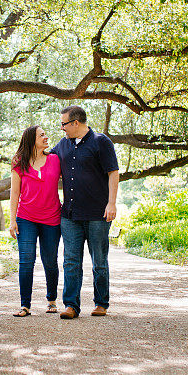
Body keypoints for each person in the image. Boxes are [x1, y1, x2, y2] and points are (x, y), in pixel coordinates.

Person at [52, 105, 119, 319]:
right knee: (71, 260)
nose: (61, 128)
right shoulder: (62, 145)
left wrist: (112, 203)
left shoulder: (101, 142)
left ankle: (101, 303)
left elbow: (113, 172)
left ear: (76, 123)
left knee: (99, 261)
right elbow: (45, 160)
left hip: (98, 214)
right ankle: (71, 305)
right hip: (70, 215)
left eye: (64, 124)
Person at [8, 125, 62, 317]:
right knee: (26, 261)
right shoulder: (18, 162)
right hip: (26, 218)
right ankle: (25, 305)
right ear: (32, 139)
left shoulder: (55, 160)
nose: (46, 137)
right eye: (42, 135)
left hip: (51, 218)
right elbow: (14, 193)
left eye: (45, 134)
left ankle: (52, 300)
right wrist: (12, 219)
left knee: (50, 261)